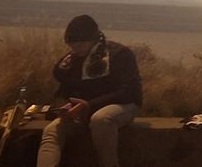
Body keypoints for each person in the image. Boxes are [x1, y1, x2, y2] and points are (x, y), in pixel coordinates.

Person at [38, 15, 142, 167]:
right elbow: (66, 87)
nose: (76, 49)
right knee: (51, 131)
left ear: (93, 40)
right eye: (72, 45)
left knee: (101, 120)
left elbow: (129, 92)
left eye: (81, 44)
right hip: (83, 108)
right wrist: (64, 107)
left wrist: (89, 105)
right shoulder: (73, 58)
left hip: (122, 104)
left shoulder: (120, 54)